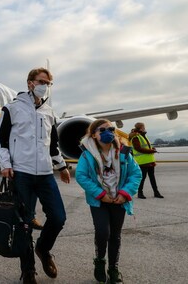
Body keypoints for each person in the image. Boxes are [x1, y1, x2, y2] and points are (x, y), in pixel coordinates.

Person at [0, 67, 70, 284]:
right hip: (22, 174)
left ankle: (43, 250)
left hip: (45, 174)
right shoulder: (12, 108)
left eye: (48, 83)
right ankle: (28, 270)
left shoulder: (49, 112)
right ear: (30, 83)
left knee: (58, 217)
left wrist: (62, 167)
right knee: (24, 224)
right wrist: (5, 164)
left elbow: (53, 145)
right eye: (41, 81)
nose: (45, 86)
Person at [76, 119, 142, 283]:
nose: (108, 132)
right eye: (102, 129)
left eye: (111, 129)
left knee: (115, 236)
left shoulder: (124, 153)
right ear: (93, 134)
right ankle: (99, 262)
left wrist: (125, 193)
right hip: (100, 202)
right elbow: (81, 176)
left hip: (119, 200)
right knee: (102, 232)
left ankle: (113, 269)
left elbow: (136, 174)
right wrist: (99, 193)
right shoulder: (87, 154)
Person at [129, 122, 163, 199]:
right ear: (141, 128)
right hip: (142, 161)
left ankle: (156, 192)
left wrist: (152, 149)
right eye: (143, 127)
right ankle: (140, 193)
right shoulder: (135, 137)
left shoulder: (143, 136)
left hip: (149, 160)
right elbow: (138, 149)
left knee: (152, 177)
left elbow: (146, 147)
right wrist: (151, 151)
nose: (145, 128)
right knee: (142, 178)